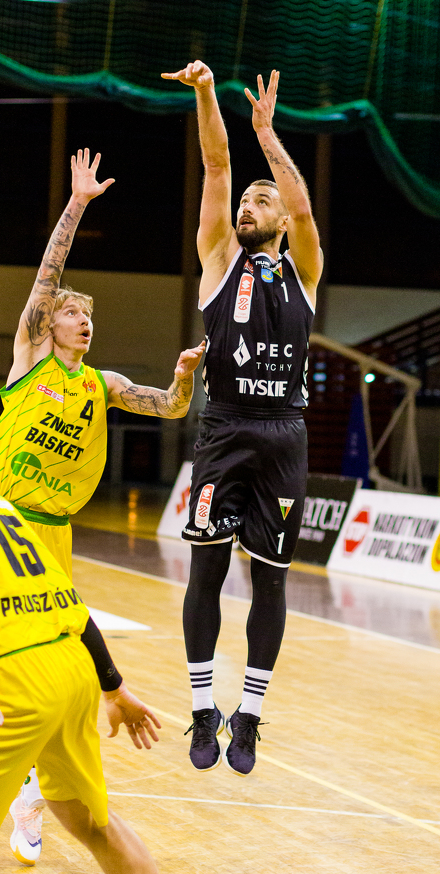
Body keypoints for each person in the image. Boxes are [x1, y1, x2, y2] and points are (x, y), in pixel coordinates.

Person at [0, 147, 204, 864]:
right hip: (1, 521)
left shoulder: (101, 384)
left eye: (86, 315)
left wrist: (182, 379)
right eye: (72, 314)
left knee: (52, 653)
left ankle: (30, 791)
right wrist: (77, 204)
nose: (82, 321)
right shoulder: (30, 360)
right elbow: (45, 278)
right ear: (48, 325)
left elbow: (170, 409)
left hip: (54, 534)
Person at [0, 393, 160, 874]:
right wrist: (114, 686)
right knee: (91, 823)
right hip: (72, 668)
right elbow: (69, 600)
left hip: (9, 682)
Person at [162, 63, 322, 775]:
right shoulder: (220, 257)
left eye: (263, 200)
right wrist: (206, 93)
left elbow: (304, 209)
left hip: (284, 434)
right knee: (207, 568)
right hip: (223, 428)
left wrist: (267, 133)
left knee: (273, 579)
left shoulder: (304, 270)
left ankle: (249, 715)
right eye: (247, 201)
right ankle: (204, 707)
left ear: (282, 219)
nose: (248, 206)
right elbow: (217, 165)